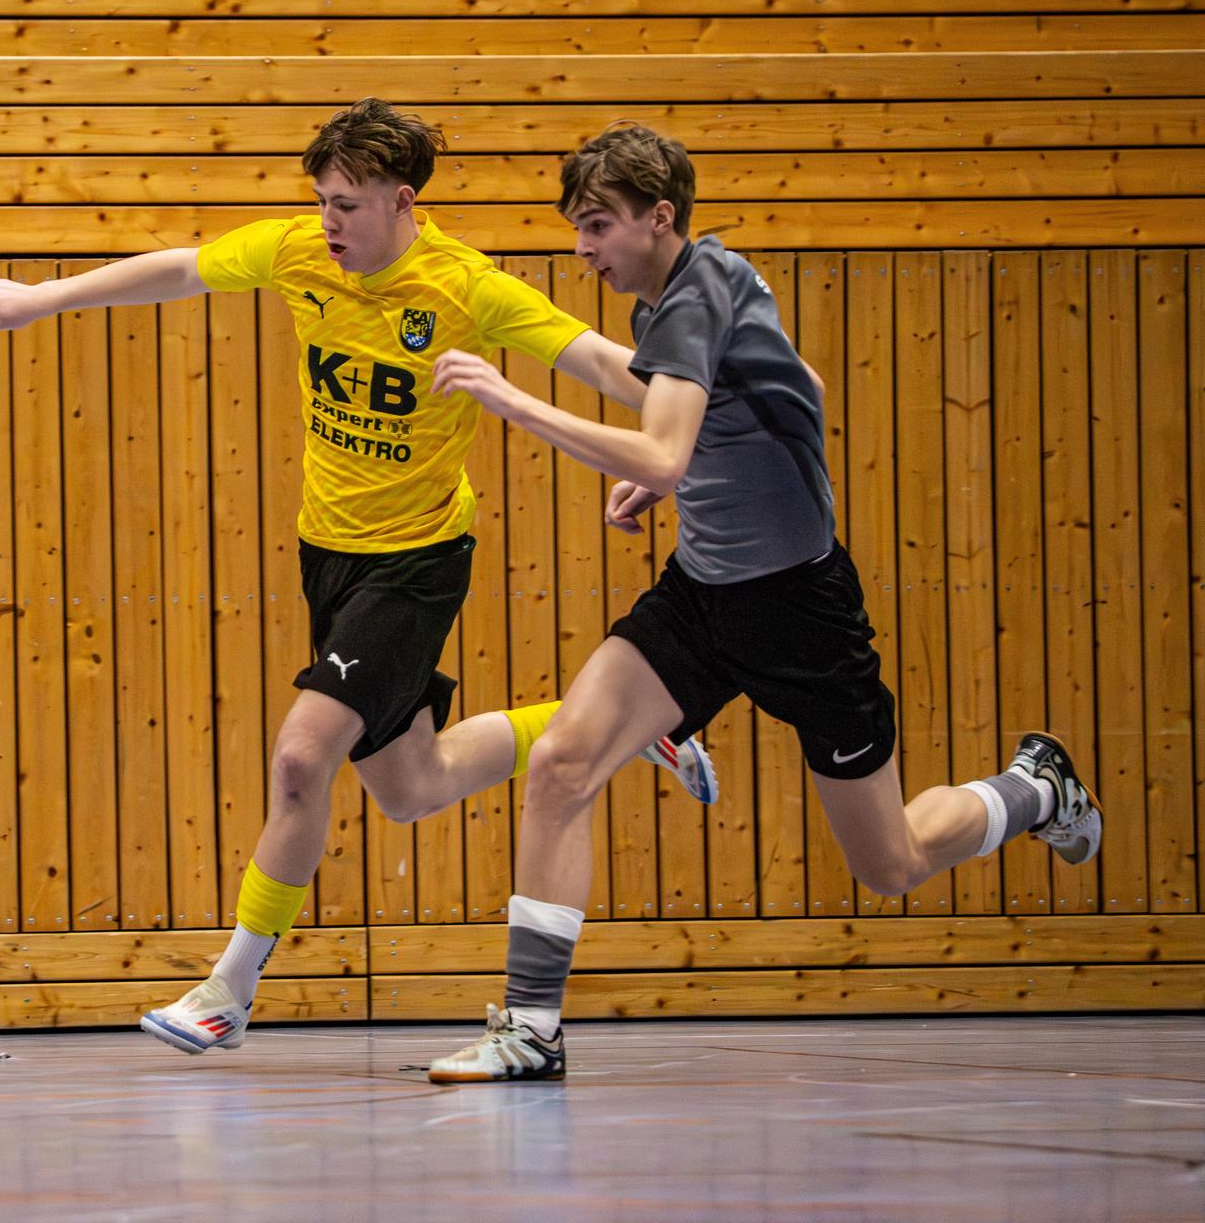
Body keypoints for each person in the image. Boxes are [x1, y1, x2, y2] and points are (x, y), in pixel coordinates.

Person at [0, 99, 718, 1056]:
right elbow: (179, 270)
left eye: (348, 206)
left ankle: (228, 987)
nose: (328, 223)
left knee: (299, 756)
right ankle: (632, 728)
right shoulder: (296, 254)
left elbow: (601, 358)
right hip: (330, 553)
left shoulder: (464, 285)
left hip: (417, 562)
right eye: (321, 200)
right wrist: (42, 295)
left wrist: (692, 421)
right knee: (413, 784)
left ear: (405, 204)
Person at [423, 123, 1103, 1083]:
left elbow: (662, 447)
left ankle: (1036, 790)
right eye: (578, 228)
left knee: (892, 863)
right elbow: (802, 389)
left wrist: (516, 401)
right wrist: (690, 478)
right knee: (566, 763)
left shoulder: (694, 297)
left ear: (660, 218)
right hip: (700, 598)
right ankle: (532, 1029)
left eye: (598, 226)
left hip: (800, 616)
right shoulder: (701, 287)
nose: (584, 249)